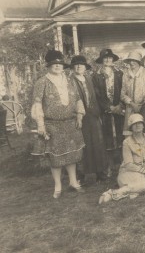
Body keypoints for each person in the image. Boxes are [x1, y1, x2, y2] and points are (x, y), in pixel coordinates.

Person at [31, 50, 86, 198]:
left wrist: (80, 116)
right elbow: (37, 104)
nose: (57, 66)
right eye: (54, 64)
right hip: (52, 125)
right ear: (48, 66)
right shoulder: (42, 82)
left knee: (72, 154)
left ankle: (73, 182)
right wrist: (41, 125)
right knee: (56, 158)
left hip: (71, 123)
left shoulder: (69, 80)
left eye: (60, 64)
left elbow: (78, 99)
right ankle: (58, 187)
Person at [98, 113, 145, 204]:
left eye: (139, 123)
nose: (137, 125)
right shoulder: (127, 142)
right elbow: (129, 164)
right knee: (141, 182)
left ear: (143, 125)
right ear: (131, 127)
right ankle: (114, 193)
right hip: (130, 172)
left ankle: (125, 191)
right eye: (134, 124)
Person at [70, 55, 107, 182]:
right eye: (76, 64)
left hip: (93, 115)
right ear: (73, 67)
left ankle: (100, 171)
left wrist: (98, 112)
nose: (79, 66)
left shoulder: (89, 79)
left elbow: (96, 96)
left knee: (97, 143)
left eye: (81, 64)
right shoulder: (69, 81)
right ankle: (81, 174)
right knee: (81, 145)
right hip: (78, 116)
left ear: (85, 67)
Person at [93, 48, 124, 178]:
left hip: (119, 109)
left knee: (121, 137)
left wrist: (119, 106)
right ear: (101, 60)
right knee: (108, 139)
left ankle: (123, 166)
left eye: (110, 58)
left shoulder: (119, 73)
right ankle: (109, 167)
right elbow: (97, 95)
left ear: (113, 60)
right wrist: (109, 107)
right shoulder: (96, 75)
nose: (107, 60)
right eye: (105, 58)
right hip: (105, 112)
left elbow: (124, 89)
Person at [120, 52, 145, 132]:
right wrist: (132, 104)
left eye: (134, 60)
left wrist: (142, 105)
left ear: (139, 61)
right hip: (130, 107)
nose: (131, 62)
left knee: (142, 130)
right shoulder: (126, 73)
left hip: (143, 107)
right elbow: (123, 93)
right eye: (130, 60)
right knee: (130, 131)